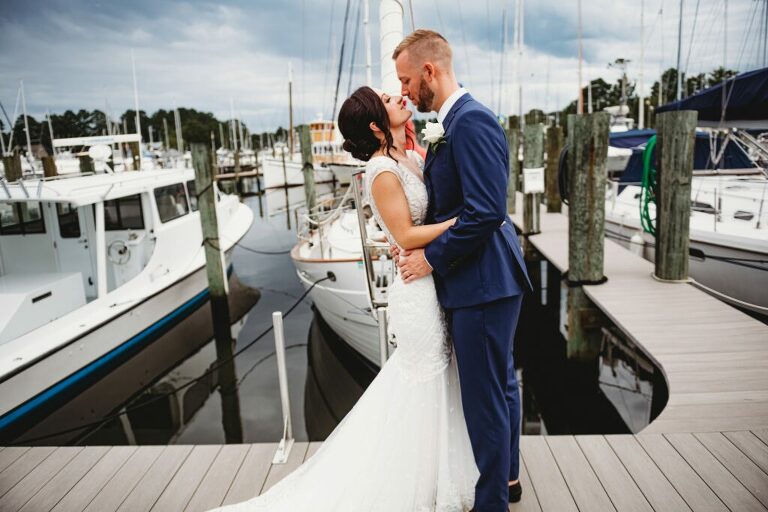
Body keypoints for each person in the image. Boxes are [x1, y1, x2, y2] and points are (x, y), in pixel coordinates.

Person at [207, 85, 479, 511]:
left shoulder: (407, 157)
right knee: (424, 382)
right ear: (375, 124)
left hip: (431, 281)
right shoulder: (381, 171)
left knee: (436, 381)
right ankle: (414, 486)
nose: (399, 98)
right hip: (417, 291)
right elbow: (406, 235)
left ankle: (434, 476)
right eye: (389, 100)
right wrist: (465, 221)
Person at [393, 30, 532, 511]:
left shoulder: (470, 122)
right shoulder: (450, 124)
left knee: (483, 397)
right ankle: (508, 480)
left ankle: (491, 502)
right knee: (501, 386)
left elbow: (485, 211)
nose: (406, 91)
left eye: (407, 80)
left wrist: (428, 257)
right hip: (487, 279)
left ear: (430, 71)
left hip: (483, 283)